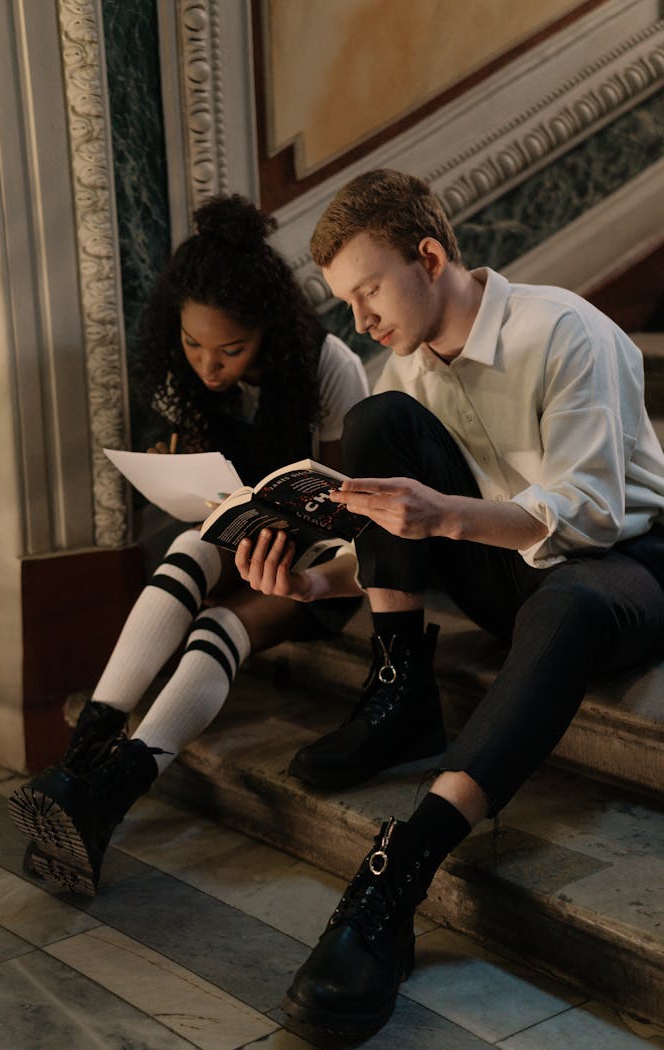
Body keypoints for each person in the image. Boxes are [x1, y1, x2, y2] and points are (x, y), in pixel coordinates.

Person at [235, 169, 664, 1041]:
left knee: (571, 603)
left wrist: (442, 515)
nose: (359, 320)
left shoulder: (569, 330)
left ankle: (397, 873)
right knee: (375, 425)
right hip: (511, 568)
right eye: (344, 302)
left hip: (624, 565)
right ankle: (399, 690)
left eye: (368, 291)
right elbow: (406, 522)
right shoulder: (405, 367)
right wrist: (316, 584)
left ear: (430, 257)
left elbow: (586, 516)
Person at [8, 194, 369, 897]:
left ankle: (108, 793)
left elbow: (350, 508)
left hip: (316, 565)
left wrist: (283, 537)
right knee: (185, 554)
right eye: (193, 343)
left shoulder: (330, 369)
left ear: (268, 331)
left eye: (230, 350)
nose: (209, 364)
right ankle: (81, 768)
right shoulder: (186, 379)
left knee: (218, 623)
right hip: (232, 541)